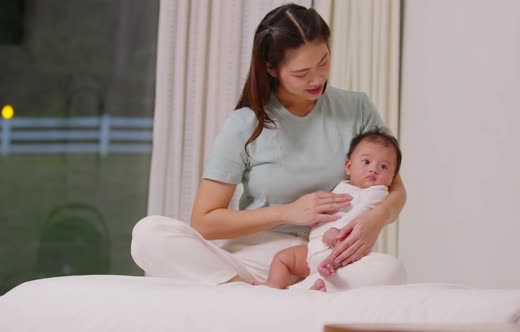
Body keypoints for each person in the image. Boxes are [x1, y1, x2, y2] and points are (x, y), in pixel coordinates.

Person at [130, 3, 407, 291]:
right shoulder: (245, 124)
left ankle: (271, 296)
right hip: (258, 257)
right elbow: (205, 221)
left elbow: (396, 188)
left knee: (390, 270)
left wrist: (376, 219)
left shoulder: (356, 108)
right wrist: (288, 212)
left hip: (329, 260)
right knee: (149, 234)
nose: (317, 79)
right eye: (301, 73)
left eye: (323, 61)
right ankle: (270, 294)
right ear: (271, 68)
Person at [252, 127, 402, 291]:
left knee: (374, 267)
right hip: (313, 249)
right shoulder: (343, 186)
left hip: (340, 250)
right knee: (282, 258)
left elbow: (362, 214)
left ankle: (307, 288)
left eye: (383, 167)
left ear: (393, 177)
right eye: (366, 162)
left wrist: (337, 231)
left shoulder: (376, 192)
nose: (373, 169)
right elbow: (332, 212)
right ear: (348, 166)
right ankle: (274, 287)